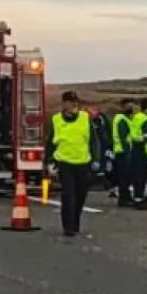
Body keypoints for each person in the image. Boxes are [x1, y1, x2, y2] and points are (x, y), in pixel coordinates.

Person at [44, 90, 96, 236]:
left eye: (75, 103)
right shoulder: (57, 120)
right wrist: (47, 161)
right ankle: (68, 227)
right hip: (64, 163)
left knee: (80, 196)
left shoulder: (85, 118)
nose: (73, 105)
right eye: (70, 102)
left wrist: (97, 159)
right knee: (68, 196)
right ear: (64, 104)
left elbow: (93, 140)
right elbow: (50, 142)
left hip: (83, 163)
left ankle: (75, 223)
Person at [129, 97, 147, 209]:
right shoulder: (146, 120)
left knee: (136, 175)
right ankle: (140, 200)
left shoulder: (136, 117)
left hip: (134, 148)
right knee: (142, 175)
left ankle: (137, 198)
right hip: (142, 150)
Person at [110, 99, 134, 206]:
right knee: (124, 177)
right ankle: (124, 199)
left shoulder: (121, 118)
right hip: (123, 152)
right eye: (129, 106)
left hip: (120, 151)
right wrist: (128, 151)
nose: (131, 108)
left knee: (125, 176)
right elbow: (124, 137)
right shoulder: (122, 119)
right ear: (123, 106)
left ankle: (125, 197)